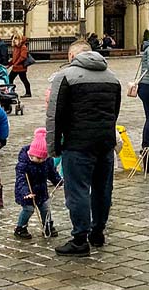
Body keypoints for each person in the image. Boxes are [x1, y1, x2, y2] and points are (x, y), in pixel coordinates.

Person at [45, 40, 121, 256]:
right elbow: (114, 113)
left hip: (77, 144)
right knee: (102, 189)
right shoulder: (112, 77)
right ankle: (98, 232)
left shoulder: (65, 77)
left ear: (71, 56)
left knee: (77, 191)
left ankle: (80, 239)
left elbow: (54, 116)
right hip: (105, 143)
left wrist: (53, 148)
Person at [14, 128, 62, 239]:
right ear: (31, 154)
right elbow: (21, 179)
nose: (41, 160)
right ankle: (21, 227)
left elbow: (52, 172)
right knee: (28, 209)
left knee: (45, 208)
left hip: (41, 190)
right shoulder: (23, 164)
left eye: (43, 158)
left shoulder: (47, 161)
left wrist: (57, 181)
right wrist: (26, 192)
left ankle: (48, 225)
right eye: (38, 158)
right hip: (27, 192)